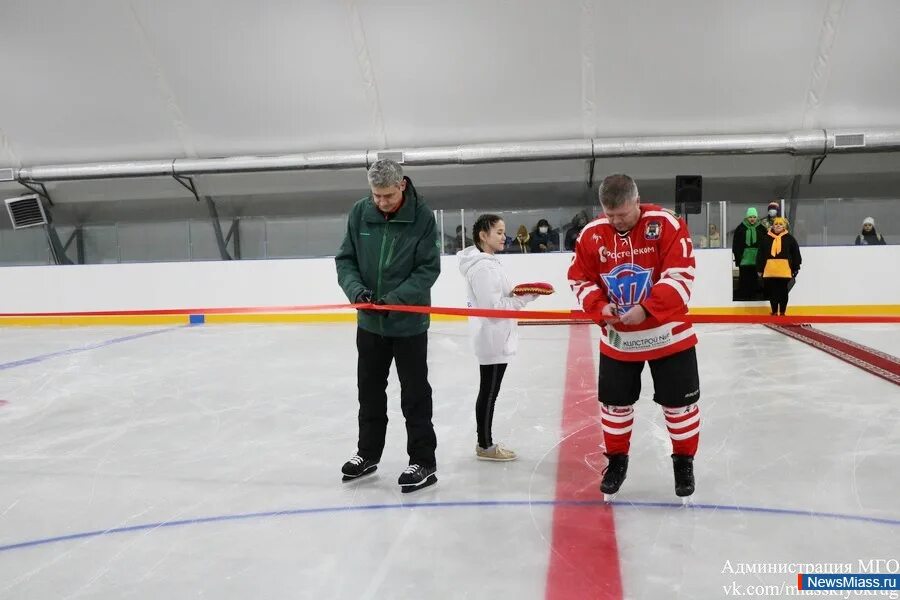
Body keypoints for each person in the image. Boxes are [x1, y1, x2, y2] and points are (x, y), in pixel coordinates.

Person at [568, 174, 700, 498]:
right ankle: (616, 462)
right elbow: (579, 280)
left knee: (679, 406)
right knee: (614, 406)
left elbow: (681, 275)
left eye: (623, 214)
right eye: (609, 215)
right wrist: (600, 308)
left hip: (668, 335)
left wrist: (648, 308)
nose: (616, 222)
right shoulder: (591, 235)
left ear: (636, 201)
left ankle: (683, 462)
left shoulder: (666, 224)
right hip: (619, 339)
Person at [335, 159, 441, 493]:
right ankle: (367, 454)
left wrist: (394, 299)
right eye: (376, 195)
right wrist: (357, 292)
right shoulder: (359, 212)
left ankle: (423, 461)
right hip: (369, 324)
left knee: (414, 394)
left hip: (407, 323)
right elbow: (345, 260)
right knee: (368, 391)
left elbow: (428, 269)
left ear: (402, 186)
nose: (381, 202)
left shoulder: (422, 217)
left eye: (387, 196)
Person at [458, 214, 539, 461]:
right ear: (483, 235)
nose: (505, 237)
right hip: (492, 337)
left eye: (504, 232)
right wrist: (525, 298)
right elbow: (493, 306)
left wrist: (518, 293)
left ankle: (485, 443)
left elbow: (496, 298)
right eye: (499, 232)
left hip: (494, 335)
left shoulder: (487, 262)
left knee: (489, 391)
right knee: (489, 391)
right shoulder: (483, 266)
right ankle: (485, 445)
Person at [757, 217, 801, 316]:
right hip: (770, 270)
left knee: (783, 291)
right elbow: (760, 254)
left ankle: (782, 311)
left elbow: (796, 254)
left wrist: (796, 267)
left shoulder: (790, 239)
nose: (778, 226)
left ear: (784, 226)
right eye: (776, 224)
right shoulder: (766, 238)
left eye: (780, 224)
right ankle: (773, 311)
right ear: (773, 225)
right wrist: (760, 268)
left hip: (784, 270)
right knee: (772, 292)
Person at [732, 208, 767, 300]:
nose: (752, 219)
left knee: (755, 279)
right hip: (744, 259)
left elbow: (765, 244)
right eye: (750, 217)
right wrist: (738, 258)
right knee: (744, 279)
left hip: (757, 259)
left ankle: (754, 296)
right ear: (747, 217)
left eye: (754, 217)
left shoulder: (762, 229)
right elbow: (736, 245)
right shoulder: (740, 228)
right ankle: (744, 296)